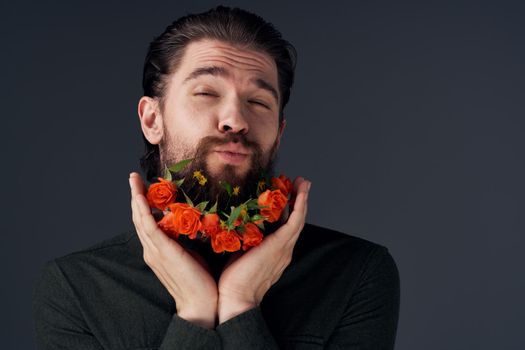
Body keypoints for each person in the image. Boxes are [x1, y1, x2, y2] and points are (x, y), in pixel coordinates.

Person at [33, 5, 400, 349]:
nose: (236, 120)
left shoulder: (354, 273)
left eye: (258, 102)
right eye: (207, 92)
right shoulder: (75, 287)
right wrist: (194, 311)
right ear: (152, 120)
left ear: (279, 133)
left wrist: (241, 306)